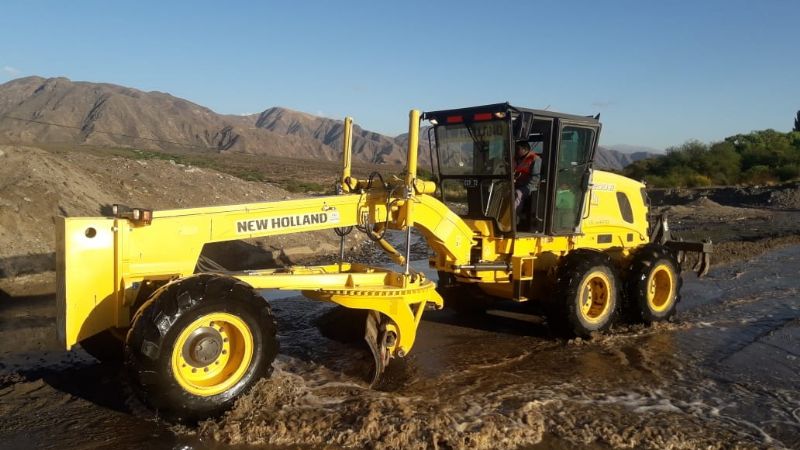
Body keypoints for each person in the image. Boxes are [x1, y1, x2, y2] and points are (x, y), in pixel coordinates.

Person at [513, 141, 541, 217]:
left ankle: (513, 217)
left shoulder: (535, 159)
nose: (515, 150)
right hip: (516, 184)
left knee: (517, 193)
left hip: (529, 186)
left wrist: (526, 187)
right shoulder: (516, 159)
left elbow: (536, 178)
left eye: (517, 149)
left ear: (524, 149)